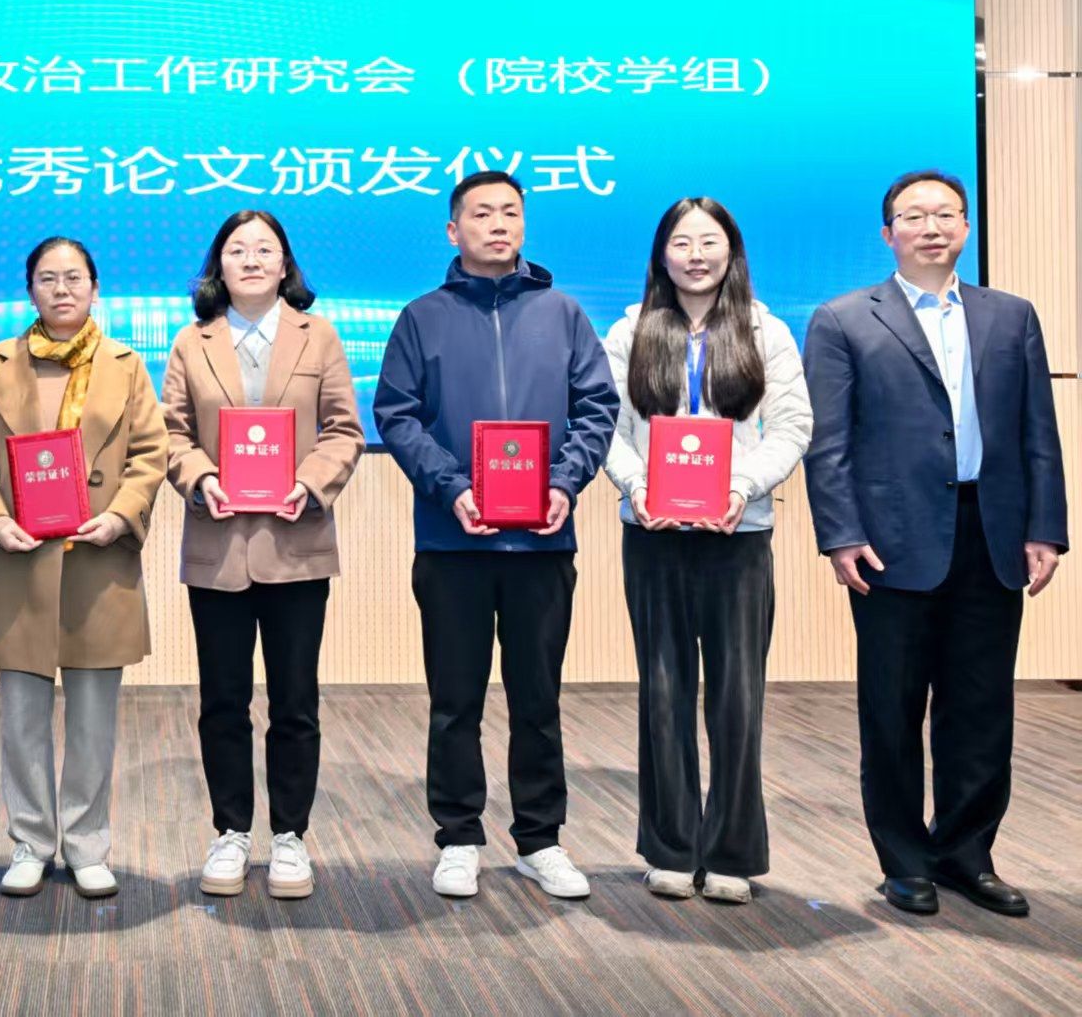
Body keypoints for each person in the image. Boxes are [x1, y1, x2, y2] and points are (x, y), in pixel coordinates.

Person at [804, 169, 1065, 918]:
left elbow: (1038, 431)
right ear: (888, 233)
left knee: (981, 708)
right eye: (914, 216)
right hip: (890, 542)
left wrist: (1045, 527)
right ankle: (904, 860)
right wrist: (841, 534)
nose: (931, 227)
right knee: (891, 710)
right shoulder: (844, 318)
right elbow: (829, 443)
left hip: (993, 531)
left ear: (966, 228)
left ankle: (966, 853)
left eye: (946, 214)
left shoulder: (1011, 316)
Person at [375, 170, 618, 901]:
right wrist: (452, 487)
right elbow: (396, 415)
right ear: (454, 231)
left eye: (510, 212)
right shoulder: (422, 317)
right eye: (481, 213)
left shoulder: (563, 313)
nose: (498, 224)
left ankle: (541, 840)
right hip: (453, 543)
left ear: (524, 225)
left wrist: (563, 483)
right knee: (455, 701)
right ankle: (458, 836)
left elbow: (597, 407)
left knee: (537, 700)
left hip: (542, 543)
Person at [602, 198, 810, 905]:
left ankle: (731, 851)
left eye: (709, 241)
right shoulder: (630, 331)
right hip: (653, 537)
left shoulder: (765, 331)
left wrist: (742, 485)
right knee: (662, 692)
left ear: (732, 250)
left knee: (736, 697)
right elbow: (607, 427)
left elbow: (793, 426)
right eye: (682, 242)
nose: (696, 255)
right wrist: (637, 486)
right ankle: (669, 846)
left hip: (737, 537)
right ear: (661, 254)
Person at [0, 237, 169, 899]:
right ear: (30, 290)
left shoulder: (127, 365)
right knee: (21, 716)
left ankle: (87, 842)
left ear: (95, 288)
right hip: (17, 560)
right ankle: (30, 841)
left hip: (97, 558)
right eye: (47, 278)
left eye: (74, 277)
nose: (62, 289)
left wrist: (121, 515)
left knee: (93, 717)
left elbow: (150, 452)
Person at [161, 210, 364, 899]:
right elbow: (171, 432)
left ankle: (289, 836)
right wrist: (200, 478)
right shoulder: (191, 341)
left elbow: (343, 429)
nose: (251, 260)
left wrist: (310, 482)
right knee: (222, 700)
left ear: (285, 264)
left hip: (296, 543)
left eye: (264, 249)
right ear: (218, 266)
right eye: (237, 250)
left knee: (294, 700)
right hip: (217, 544)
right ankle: (230, 831)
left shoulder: (319, 334)